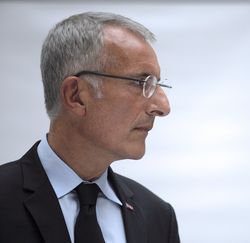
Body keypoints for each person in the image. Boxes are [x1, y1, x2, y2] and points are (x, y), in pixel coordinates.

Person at [0, 12, 180, 243]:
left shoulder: (158, 217)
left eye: (157, 85)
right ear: (76, 96)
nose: (163, 107)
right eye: (141, 83)